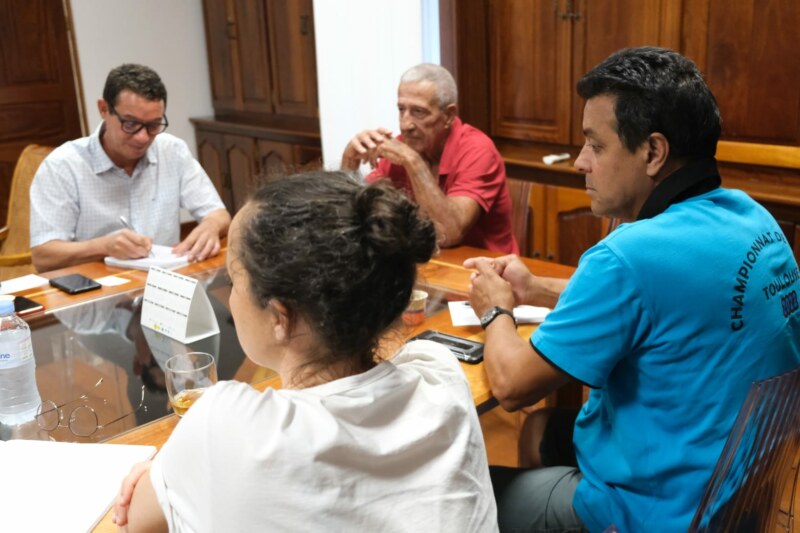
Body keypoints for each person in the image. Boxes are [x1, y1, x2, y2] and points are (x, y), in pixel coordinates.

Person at [465, 47, 800, 532]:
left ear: (653, 152)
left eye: (595, 146)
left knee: (467, 487)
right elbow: (661, 306)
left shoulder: (629, 254)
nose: (580, 162)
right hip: (740, 491)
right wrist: (537, 289)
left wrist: (496, 310)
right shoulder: (754, 220)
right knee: (543, 431)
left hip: (657, 513)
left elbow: (512, 387)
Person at [112, 171, 498, 532]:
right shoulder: (441, 376)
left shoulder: (226, 425)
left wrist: (167, 468)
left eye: (233, 278)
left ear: (280, 316)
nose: (229, 297)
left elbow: (133, 518)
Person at [29, 64, 230, 272]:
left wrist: (211, 226)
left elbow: (219, 215)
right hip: (98, 293)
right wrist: (104, 246)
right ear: (104, 109)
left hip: (162, 288)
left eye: (153, 125)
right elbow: (44, 256)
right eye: (130, 124)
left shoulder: (172, 151)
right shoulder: (63, 166)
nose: (143, 137)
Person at [341, 63, 518, 254]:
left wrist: (413, 162)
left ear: (449, 116)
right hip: (428, 265)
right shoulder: (403, 147)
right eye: (401, 110)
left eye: (419, 112)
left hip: (485, 272)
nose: (405, 124)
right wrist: (350, 160)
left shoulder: (478, 150)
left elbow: (447, 233)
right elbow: (351, 216)